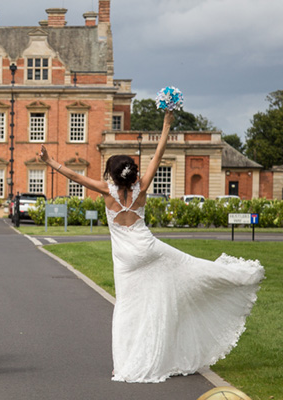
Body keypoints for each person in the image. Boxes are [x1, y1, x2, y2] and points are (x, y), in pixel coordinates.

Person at [40, 110, 264, 383]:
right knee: (192, 268)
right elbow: (158, 155)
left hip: (125, 259)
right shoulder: (142, 189)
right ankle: (238, 277)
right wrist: (167, 124)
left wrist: (50, 160)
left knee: (126, 309)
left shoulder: (106, 192)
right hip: (149, 249)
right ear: (131, 175)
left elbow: (75, 177)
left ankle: (121, 366)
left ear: (112, 175)